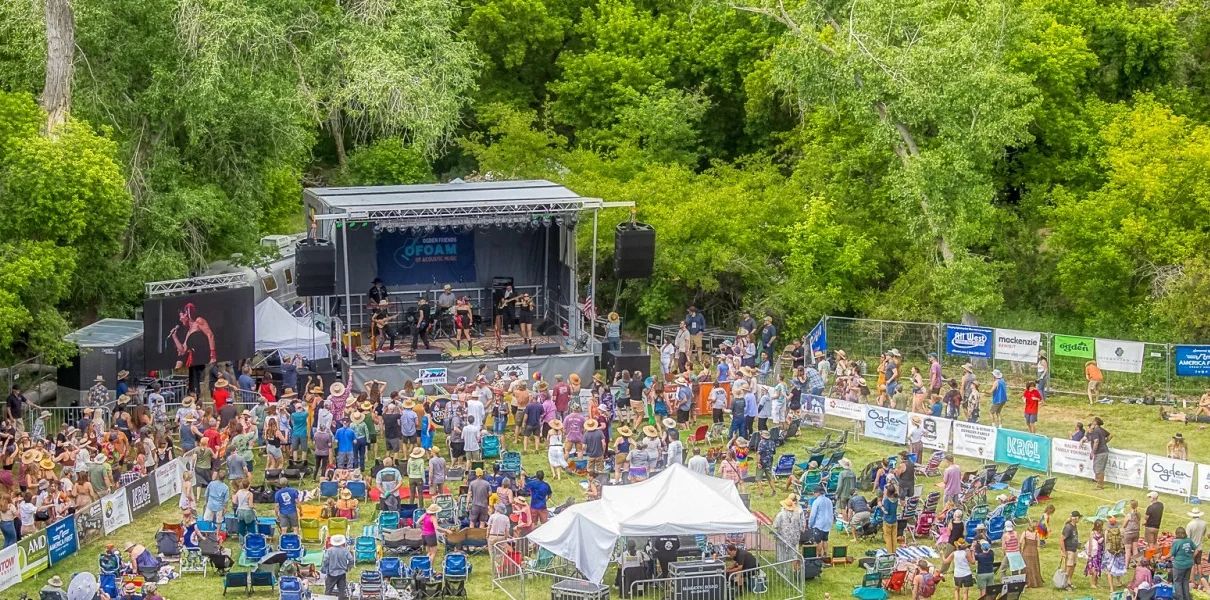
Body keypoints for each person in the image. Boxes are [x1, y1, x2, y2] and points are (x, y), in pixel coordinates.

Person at [321, 534, 355, 599]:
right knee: (341, 591)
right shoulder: (345, 550)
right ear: (342, 542)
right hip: (342, 573)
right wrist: (348, 567)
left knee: (328, 590)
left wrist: (325, 568)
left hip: (331, 573)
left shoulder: (329, 550)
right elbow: (351, 559)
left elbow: (325, 561)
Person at [773, 495, 804, 562]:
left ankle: (783, 566)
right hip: (794, 538)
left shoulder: (780, 515)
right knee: (793, 553)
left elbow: (775, 525)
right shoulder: (797, 514)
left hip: (783, 538)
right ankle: (792, 566)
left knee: (782, 554)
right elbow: (801, 524)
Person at [809, 486, 834, 556]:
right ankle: (825, 555)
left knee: (818, 541)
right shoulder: (829, 500)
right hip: (828, 523)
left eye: (814, 492)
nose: (813, 494)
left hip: (819, 524)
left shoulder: (816, 501)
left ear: (818, 493)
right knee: (825, 540)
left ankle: (818, 556)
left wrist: (810, 524)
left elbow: (813, 515)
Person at [1087, 417, 1111, 489]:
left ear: (1095, 423)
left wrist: (1092, 452)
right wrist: (1104, 442)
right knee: (1098, 468)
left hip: (1100, 452)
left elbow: (1096, 441)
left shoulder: (1095, 431)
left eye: (1093, 421)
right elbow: (1110, 435)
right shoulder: (1101, 430)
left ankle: (1100, 485)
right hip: (1103, 451)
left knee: (1099, 469)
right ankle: (1098, 482)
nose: (1092, 423)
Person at [1173, 527, 1196, 600]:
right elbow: (1196, 549)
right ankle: (1187, 597)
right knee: (1185, 581)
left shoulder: (1177, 542)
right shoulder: (1189, 540)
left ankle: (1180, 598)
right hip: (1189, 564)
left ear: (1177, 534)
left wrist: (1163, 557)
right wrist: (1192, 556)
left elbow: (1172, 553)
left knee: (1177, 582)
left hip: (1179, 565)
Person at [1060, 510, 1082, 590]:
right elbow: (1061, 539)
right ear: (1075, 518)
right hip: (1069, 550)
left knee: (1073, 565)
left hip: (1074, 549)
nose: (1079, 519)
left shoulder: (1074, 526)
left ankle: (1069, 581)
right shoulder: (1068, 527)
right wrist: (1063, 551)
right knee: (1069, 567)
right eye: (1078, 517)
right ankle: (1065, 583)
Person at [1085, 518, 1105, 589]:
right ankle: (1092, 583)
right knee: (1094, 568)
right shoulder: (1092, 533)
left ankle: (1096, 582)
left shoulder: (1102, 532)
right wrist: (1089, 553)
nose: (1099, 527)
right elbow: (1090, 543)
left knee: (1098, 568)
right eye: (1098, 526)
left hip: (1100, 552)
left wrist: (1103, 539)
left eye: (1101, 526)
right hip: (1094, 553)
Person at [1123, 499, 1141, 567]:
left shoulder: (1128, 515)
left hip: (1128, 533)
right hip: (1136, 532)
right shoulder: (1138, 514)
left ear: (1130, 506)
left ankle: (1126, 565)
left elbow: (1124, 525)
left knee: (1128, 550)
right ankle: (1137, 564)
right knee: (1135, 549)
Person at [882, 485, 899, 553]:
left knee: (888, 537)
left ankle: (890, 552)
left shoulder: (886, 500)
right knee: (894, 537)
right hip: (894, 520)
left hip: (887, 521)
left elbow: (886, 511)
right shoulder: (896, 498)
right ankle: (894, 551)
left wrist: (881, 507)